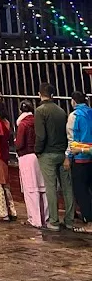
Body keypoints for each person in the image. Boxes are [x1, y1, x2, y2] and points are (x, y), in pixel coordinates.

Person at [35, 82, 75, 231]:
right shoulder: (61, 111)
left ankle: (54, 221)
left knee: (51, 188)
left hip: (47, 153)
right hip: (62, 153)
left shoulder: (40, 111)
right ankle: (70, 220)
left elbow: (41, 135)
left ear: (40, 94)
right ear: (52, 95)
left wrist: (37, 151)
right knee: (67, 187)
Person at [15, 100, 47, 228]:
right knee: (42, 188)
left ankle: (35, 220)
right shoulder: (38, 121)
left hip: (27, 157)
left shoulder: (22, 124)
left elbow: (20, 143)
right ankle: (46, 219)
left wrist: (16, 143)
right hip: (40, 156)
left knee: (31, 189)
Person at [66, 90, 92, 226]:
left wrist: (68, 156)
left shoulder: (74, 115)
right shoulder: (91, 113)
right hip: (91, 157)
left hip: (80, 157)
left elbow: (72, 139)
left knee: (81, 192)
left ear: (73, 101)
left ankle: (88, 222)